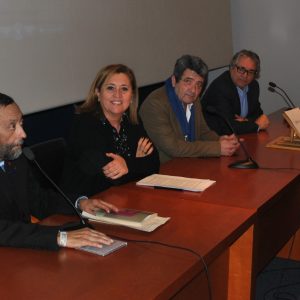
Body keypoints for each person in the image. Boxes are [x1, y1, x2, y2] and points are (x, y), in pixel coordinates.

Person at [0, 93, 118, 250]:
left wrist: (80, 203)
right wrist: (58, 237)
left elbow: (39, 201)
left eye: (21, 123)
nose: (23, 134)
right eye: (12, 126)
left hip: (20, 253)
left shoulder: (17, 159)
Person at [61, 64, 159, 196]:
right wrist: (137, 162)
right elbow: (112, 177)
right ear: (98, 92)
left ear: (132, 96)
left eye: (124, 89)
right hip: (88, 202)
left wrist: (127, 165)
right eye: (110, 88)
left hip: (122, 195)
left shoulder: (131, 121)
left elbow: (154, 163)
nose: (117, 95)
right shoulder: (86, 123)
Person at [139, 54, 239, 163]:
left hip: (188, 164)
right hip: (164, 169)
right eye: (188, 81)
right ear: (174, 80)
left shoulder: (194, 100)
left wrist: (221, 140)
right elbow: (173, 147)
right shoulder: (155, 104)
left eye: (199, 84)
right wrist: (217, 147)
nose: (193, 90)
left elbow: (203, 132)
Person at [202, 49, 270, 135]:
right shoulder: (221, 87)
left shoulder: (253, 86)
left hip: (240, 137)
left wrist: (247, 121)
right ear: (232, 67)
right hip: (214, 138)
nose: (245, 75)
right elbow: (228, 127)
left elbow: (259, 115)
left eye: (251, 72)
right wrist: (256, 125)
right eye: (241, 69)